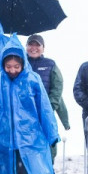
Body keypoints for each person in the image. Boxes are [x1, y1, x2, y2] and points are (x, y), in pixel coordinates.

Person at [25, 34, 71, 162]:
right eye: (31, 45)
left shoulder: (50, 64)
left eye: (37, 45)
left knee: (49, 143)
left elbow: (57, 90)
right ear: (26, 47)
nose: (34, 48)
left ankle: (49, 173)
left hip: (45, 112)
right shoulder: (20, 63)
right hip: (25, 114)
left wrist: (49, 108)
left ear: (43, 48)